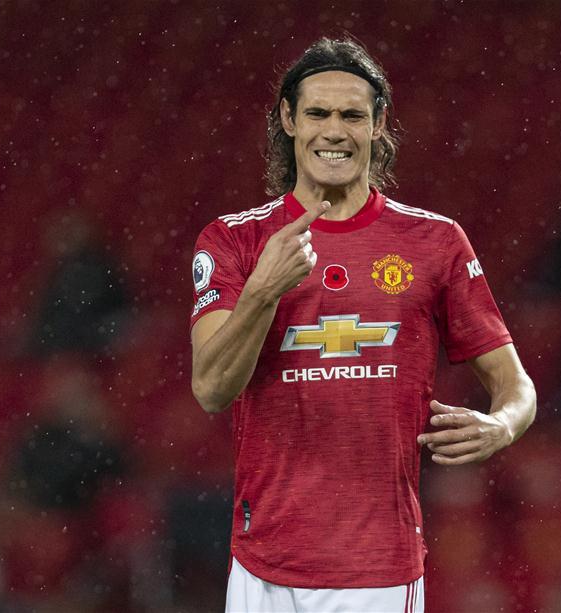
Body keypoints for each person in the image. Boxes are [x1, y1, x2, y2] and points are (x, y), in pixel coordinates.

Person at [189, 37, 537, 613]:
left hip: (377, 568)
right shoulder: (234, 241)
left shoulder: (435, 242)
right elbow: (210, 389)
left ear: (378, 125)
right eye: (318, 114)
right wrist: (263, 291)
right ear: (288, 120)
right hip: (260, 566)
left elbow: (516, 386)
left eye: (352, 116)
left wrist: (501, 425)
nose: (334, 131)